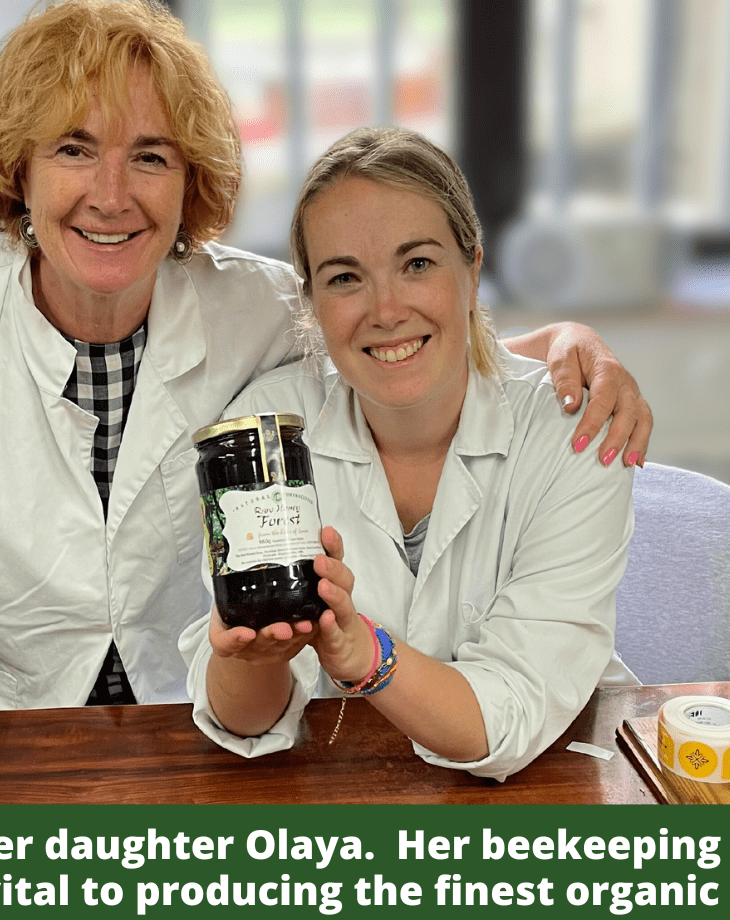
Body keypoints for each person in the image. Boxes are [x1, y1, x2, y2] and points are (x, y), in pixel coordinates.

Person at [0, 0, 649, 804]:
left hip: (194, 725)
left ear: (191, 180)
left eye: (150, 156)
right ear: (18, 168)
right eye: (74, 148)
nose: (112, 194)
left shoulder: (256, 305)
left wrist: (567, 344)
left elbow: (386, 334)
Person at [184, 127, 639, 781]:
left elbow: (510, 714)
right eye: (345, 278)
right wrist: (247, 657)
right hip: (355, 793)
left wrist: (366, 655)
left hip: (561, 781)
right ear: (312, 302)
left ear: (473, 268)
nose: (386, 309)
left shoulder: (575, 427)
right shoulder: (265, 441)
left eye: (418, 263)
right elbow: (248, 722)